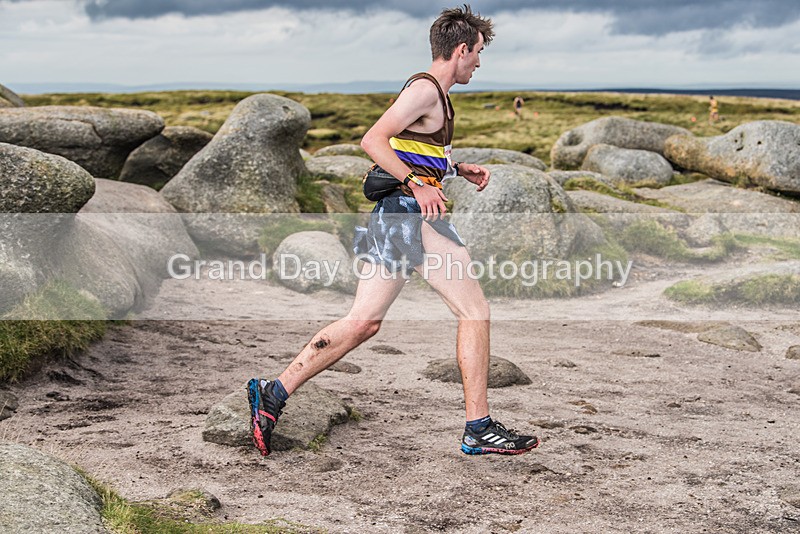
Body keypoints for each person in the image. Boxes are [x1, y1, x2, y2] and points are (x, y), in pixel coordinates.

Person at [247, 5, 539, 457]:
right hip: (411, 215)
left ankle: (274, 392)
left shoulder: (435, 95)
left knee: (363, 323)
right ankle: (478, 427)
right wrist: (417, 184)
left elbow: (407, 148)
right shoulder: (425, 90)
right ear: (461, 49)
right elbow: (373, 140)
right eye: (478, 52)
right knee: (475, 311)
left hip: (393, 216)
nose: (479, 63)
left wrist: (456, 169)